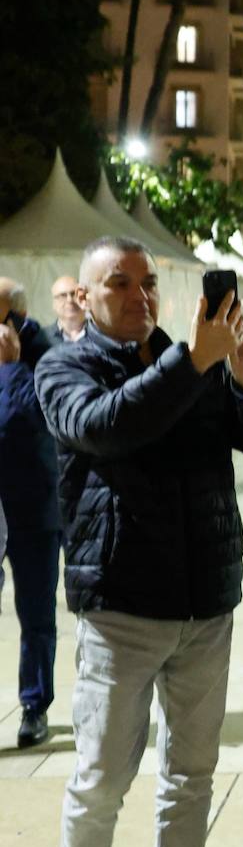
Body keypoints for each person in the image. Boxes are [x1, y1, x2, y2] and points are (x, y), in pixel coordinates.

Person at [35, 236, 243, 847]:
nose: (137, 294)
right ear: (84, 298)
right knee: (102, 773)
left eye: (146, 281)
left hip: (207, 603)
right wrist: (192, 360)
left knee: (192, 769)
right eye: (117, 283)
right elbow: (110, 425)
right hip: (122, 606)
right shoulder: (64, 369)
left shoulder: (197, 363)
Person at [0, 316, 60, 749]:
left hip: (33, 512)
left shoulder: (45, 360)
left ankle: (34, 705)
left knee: (36, 617)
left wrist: (11, 366)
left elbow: (22, 422)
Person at [49, 276, 87, 343]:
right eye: (63, 295)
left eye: (74, 294)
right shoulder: (41, 340)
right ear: (54, 304)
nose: (69, 300)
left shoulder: (102, 334)